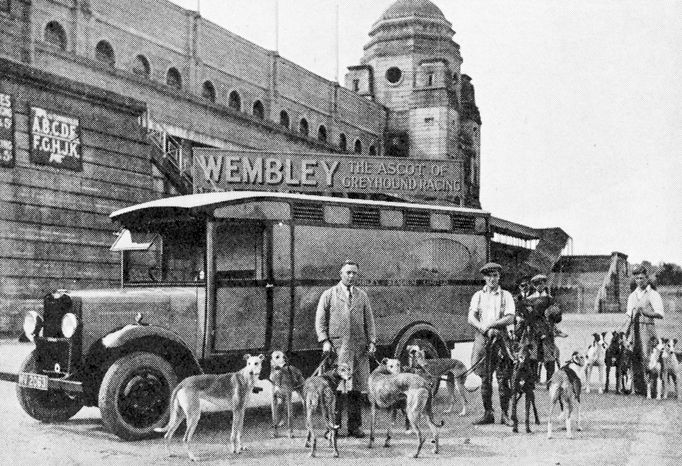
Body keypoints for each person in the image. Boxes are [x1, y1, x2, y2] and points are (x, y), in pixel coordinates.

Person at [315, 260, 376, 438]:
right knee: (335, 389)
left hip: (359, 349)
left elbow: (369, 321)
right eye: (348, 272)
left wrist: (371, 341)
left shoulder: (362, 296)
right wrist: (325, 340)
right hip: (337, 349)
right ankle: (332, 428)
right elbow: (320, 321)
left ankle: (355, 427)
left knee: (356, 389)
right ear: (341, 274)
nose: (351, 276)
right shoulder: (328, 294)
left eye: (354, 273)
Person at [468, 262, 516, 425]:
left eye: (495, 275)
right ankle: (488, 413)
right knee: (485, 378)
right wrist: (484, 327)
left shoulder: (506, 296)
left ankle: (505, 414)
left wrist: (492, 325)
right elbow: (471, 318)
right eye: (489, 275)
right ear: (484, 277)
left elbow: (510, 317)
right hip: (483, 338)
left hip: (501, 338)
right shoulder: (478, 296)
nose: (492, 279)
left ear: (499, 276)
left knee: (503, 378)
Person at [625, 265, 664, 396]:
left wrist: (647, 313)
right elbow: (629, 316)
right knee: (635, 356)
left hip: (648, 328)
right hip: (634, 328)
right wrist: (626, 333)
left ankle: (652, 389)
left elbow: (660, 314)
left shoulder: (653, 294)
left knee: (648, 357)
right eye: (637, 278)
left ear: (647, 278)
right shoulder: (632, 295)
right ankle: (639, 388)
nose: (639, 281)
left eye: (642, 278)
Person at [527, 274, 562, 386]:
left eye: (541, 283)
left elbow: (558, 318)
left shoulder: (551, 299)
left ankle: (549, 382)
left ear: (544, 284)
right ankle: (532, 381)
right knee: (533, 355)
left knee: (549, 356)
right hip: (534, 331)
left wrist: (555, 313)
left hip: (547, 331)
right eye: (536, 284)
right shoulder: (529, 299)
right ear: (533, 285)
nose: (539, 286)